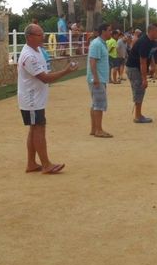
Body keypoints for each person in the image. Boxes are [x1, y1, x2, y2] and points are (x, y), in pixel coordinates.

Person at [18, 23, 78, 174]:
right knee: (38, 128)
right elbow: (44, 78)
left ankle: (31, 163)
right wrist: (66, 71)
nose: (43, 37)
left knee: (35, 128)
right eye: (40, 35)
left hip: (35, 98)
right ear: (29, 37)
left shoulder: (37, 50)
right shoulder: (29, 56)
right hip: (31, 99)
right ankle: (46, 164)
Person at [126, 23, 157, 123]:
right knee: (139, 89)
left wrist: (153, 66)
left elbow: (151, 55)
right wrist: (144, 79)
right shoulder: (144, 42)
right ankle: (137, 116)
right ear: (151, 31)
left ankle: (139, 114)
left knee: (141, 90)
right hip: (134, 68)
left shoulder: (153, 41)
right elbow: (142, 62)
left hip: (138, 68)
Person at [87, 23, 113, 138]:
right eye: (109, 30)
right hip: (97, 79)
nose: (111, 32)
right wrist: (96, 78)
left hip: (99, 78)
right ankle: (98, 130)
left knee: (95, 104)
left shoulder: (101, 43)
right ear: (103, 31)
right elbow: (92, 61)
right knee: (99, 104)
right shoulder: (97, 44)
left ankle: (94, 129)